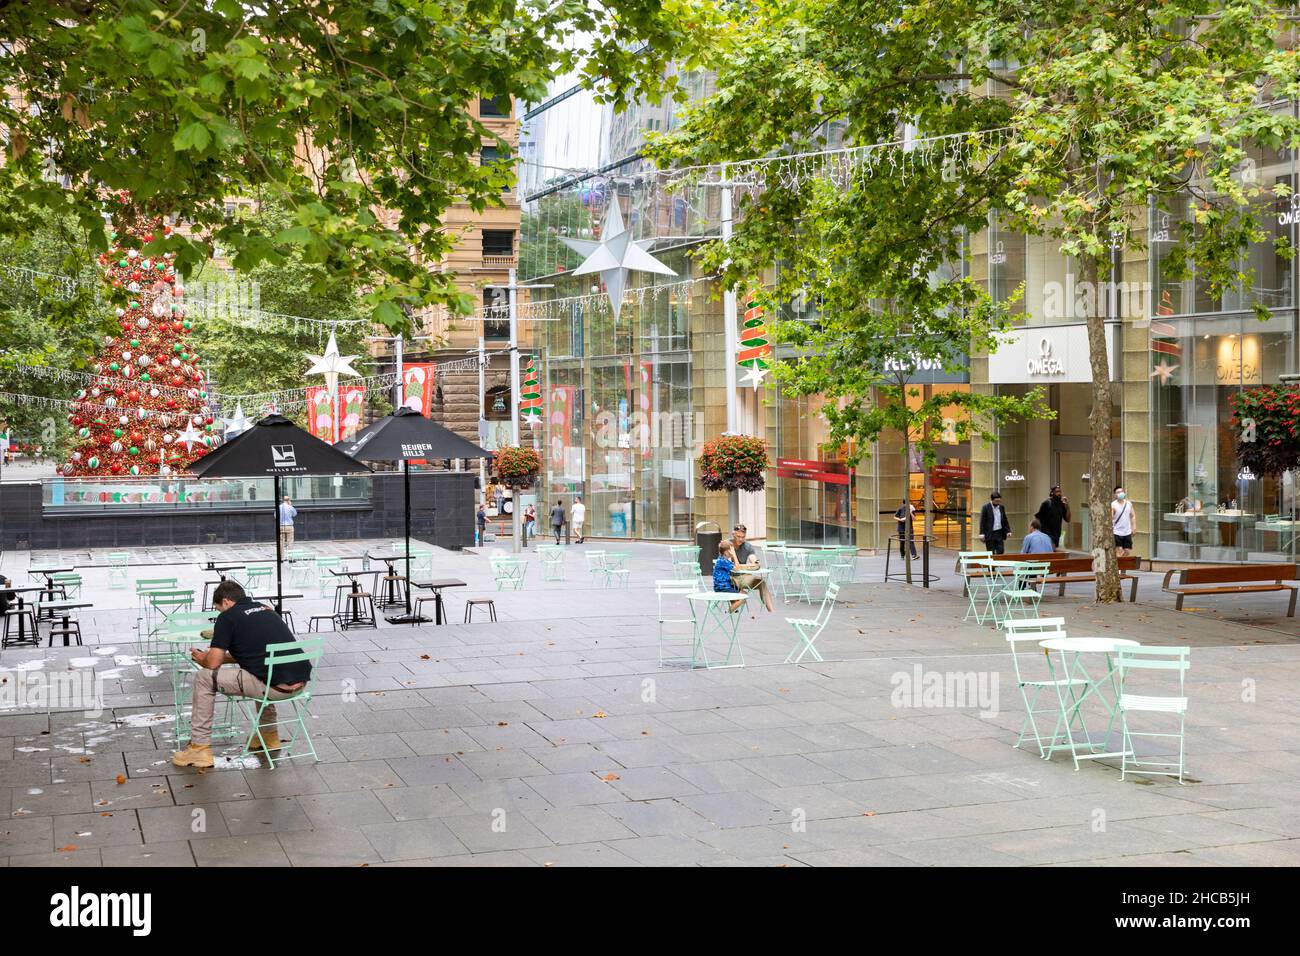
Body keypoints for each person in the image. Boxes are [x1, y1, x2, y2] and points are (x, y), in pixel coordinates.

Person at [172, 581, 313, 769]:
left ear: (226, 602)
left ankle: (199, 748)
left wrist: (203, 658)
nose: (220, 613)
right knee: (261, 670)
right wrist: (221, 657)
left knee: (204, 677)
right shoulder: (266, 609)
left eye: (219, 609)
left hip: (273, 687)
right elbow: (255, 653)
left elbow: (213, 663)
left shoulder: (227, 618)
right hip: (299, 683)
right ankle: (268, 736)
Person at [730, 524, 776, 612]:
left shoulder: (747, 546)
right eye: (738, 536)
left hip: (742, 577)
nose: (740, 539)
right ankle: (731, 609)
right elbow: (730, 567)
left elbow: (756, 563)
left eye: (743, 537)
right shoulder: (727, 545)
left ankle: (772, 611)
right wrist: (745, 566)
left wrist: (743, 566)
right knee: (739, 591)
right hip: (730, 578)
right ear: (733, 535)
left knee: (761, 582)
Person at [711, 540, 745, 613]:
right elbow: (737, 568)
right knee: (743, 596)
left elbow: (736, 566)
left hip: (723, 586)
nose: (733, 551)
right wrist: (734, 555)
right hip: (722, 587)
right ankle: (728, 612)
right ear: (726, 552)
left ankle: (733, 608)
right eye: (731, 550)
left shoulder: (723, 560)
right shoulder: (723, 561)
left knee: (741, 591)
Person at [1034, 484, 1070, 549]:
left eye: (1060, 491)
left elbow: (1068, 519)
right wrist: (1037, 533)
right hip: (1046, 534)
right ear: (1052, 493)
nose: (1059, 493)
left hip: (1056, 534)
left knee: (1052, 552)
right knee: (1052, 550)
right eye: (1057, 492)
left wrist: (1067, 506)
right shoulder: (1047, 503)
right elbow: (1037, 518)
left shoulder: (1061, 504)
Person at [1112, 485, 1136, 557]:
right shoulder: (1113, 505)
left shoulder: (1128, 504)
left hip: (1127, 532)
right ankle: (1118, 567)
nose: (1120, 493)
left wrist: (1134, 527)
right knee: (1119, 551)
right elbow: (1111, 518)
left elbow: (1133, 516)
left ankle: (1121, 566)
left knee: (1127, 551)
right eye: (1118, 492)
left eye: (1122, 491)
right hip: (1116, 532)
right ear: (1115, 495)